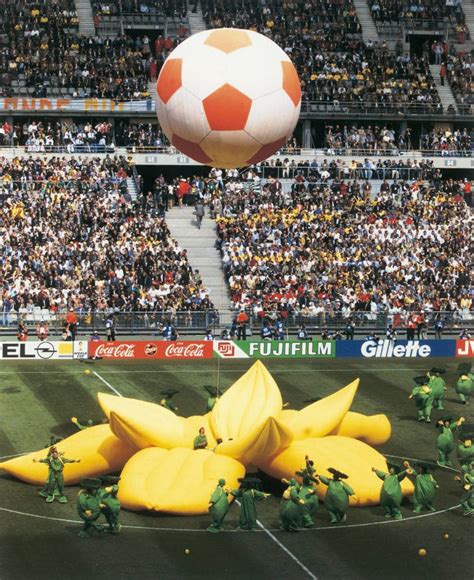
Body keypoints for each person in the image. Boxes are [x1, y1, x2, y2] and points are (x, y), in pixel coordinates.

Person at [295, 455, 319, 528]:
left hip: (307, 487)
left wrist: (307, 460)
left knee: (301, 504)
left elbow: (308, 467)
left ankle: (308, 521)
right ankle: (303, 521)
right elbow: (303, 471)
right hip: (306, 487)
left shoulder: (310, 470)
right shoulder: (308, 471)